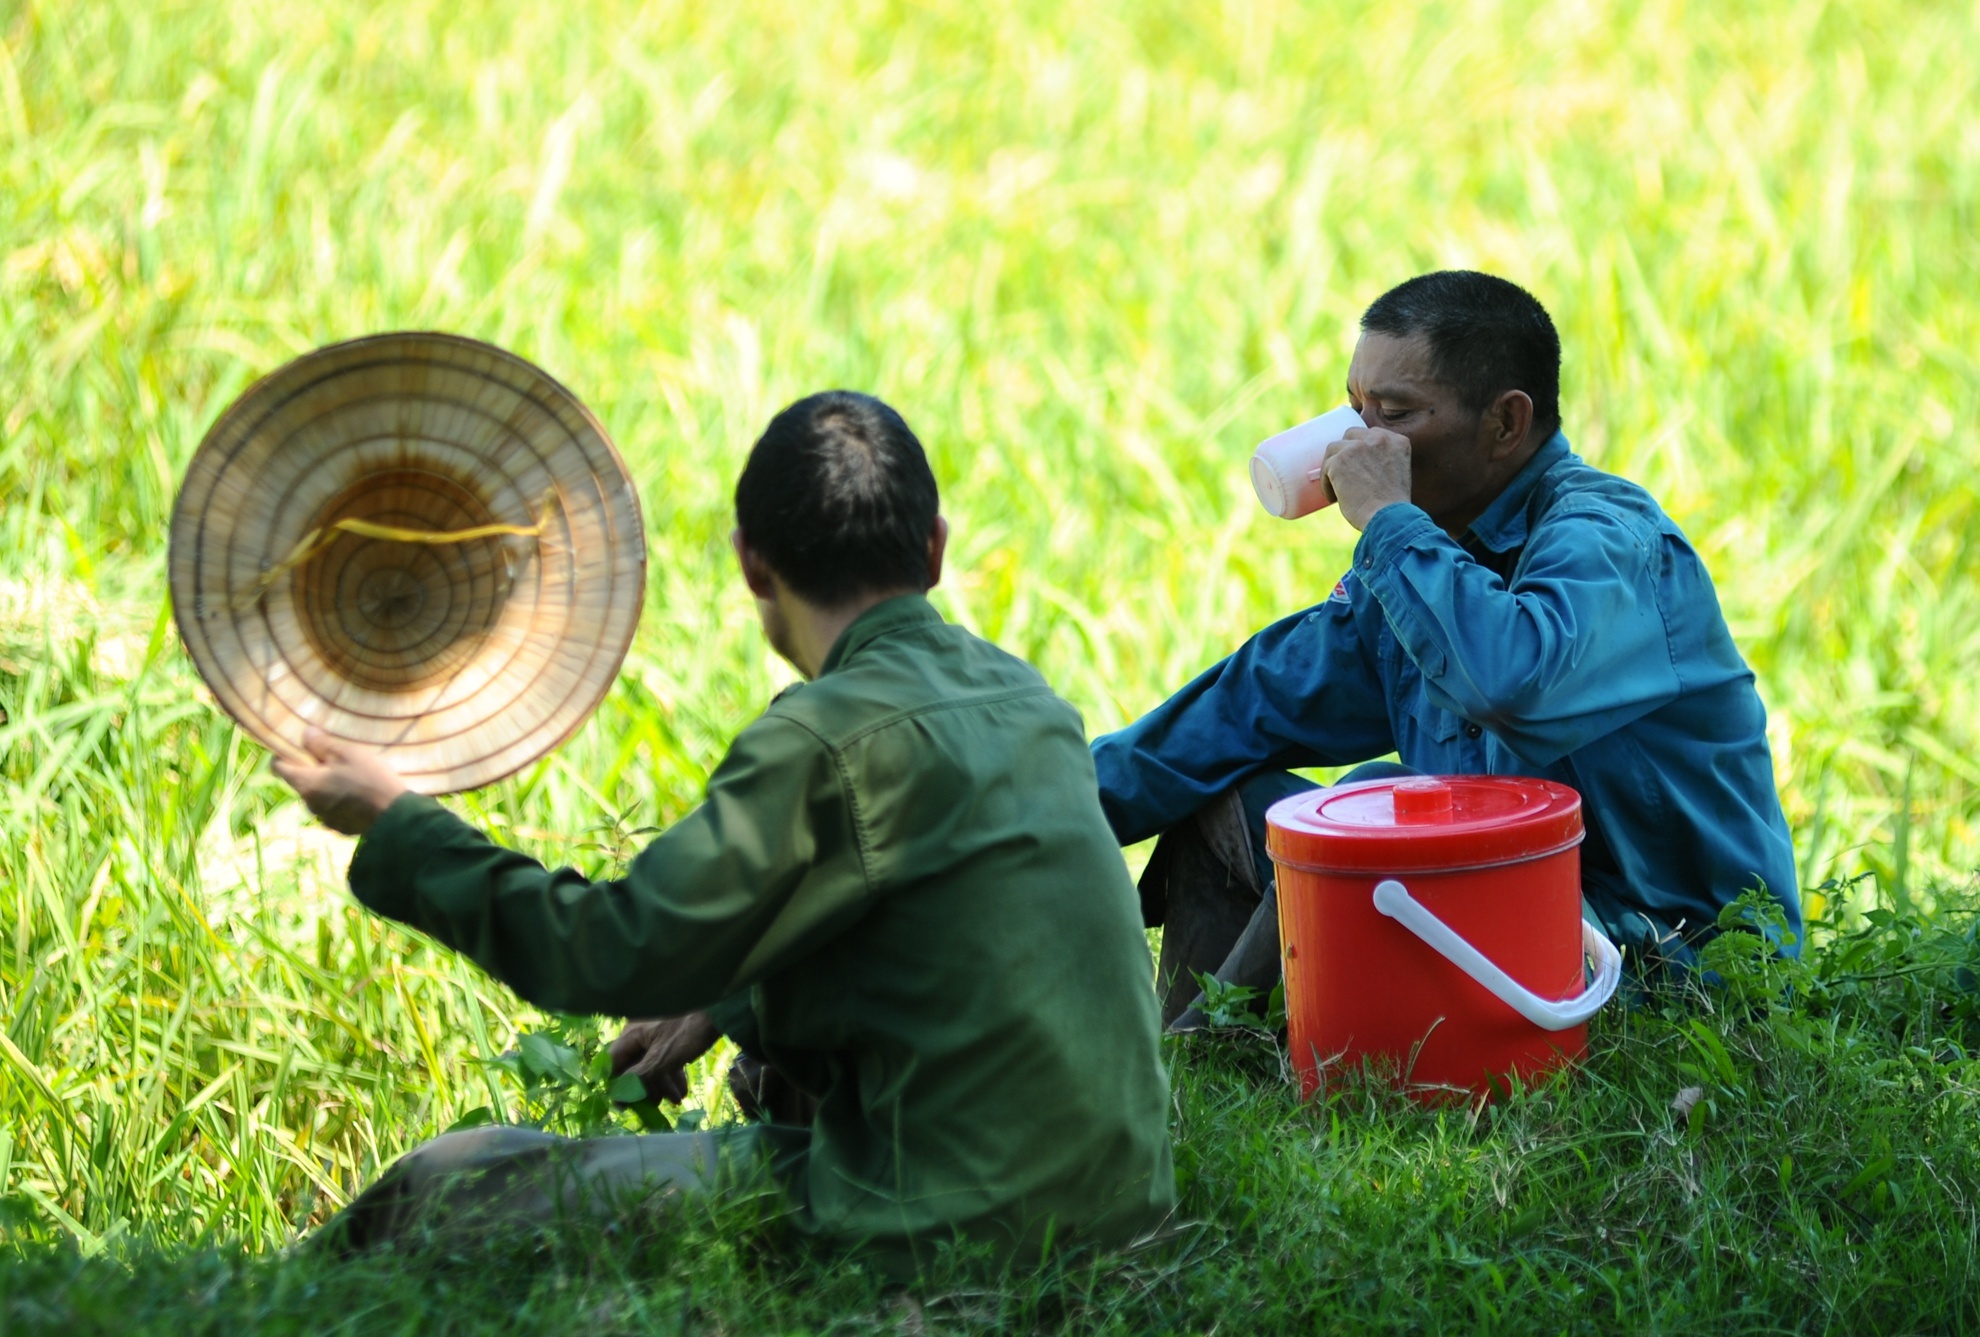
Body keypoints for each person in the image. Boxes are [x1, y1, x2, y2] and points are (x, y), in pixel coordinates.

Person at [273, 390, 1176, 1274]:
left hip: (951, 1225)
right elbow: (931, 937)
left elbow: (601, 950)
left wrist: (399, 825)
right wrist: (720, 1001)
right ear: (934, 548)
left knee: (451, 1177)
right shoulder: (1030, 701)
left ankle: (250, 1297)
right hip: (1122, 1204)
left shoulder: (820, 739)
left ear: (751, 565)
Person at [1092, 271, 1800, 1029]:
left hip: (1665, 965)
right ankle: (1203, 1067)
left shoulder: (1608, 543)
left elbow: (1510, 682)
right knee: (1223, 791)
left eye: (1393, 414)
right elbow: (1241, 710)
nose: (1356, 443)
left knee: (1379, 803)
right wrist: (1036, 812)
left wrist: (1389, 522)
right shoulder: (1422, 568)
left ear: (1505, 423)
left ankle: (1197, 1053)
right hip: (1480, 916)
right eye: (1354, 407)